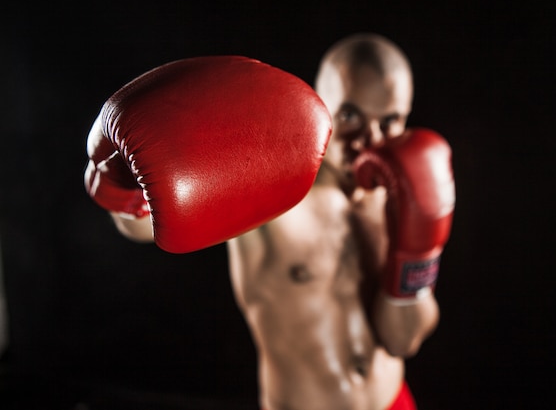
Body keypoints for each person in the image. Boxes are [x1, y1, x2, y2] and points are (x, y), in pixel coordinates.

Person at [84, 34, 455, 410]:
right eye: (351, 115)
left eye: (390, 121)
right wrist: (124, 192)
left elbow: (402, 341)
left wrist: (417, 252)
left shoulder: (404, 190)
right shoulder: (271, 181)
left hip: (394, 401)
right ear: (321, 101)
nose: (369, 140)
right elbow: (142, 227)